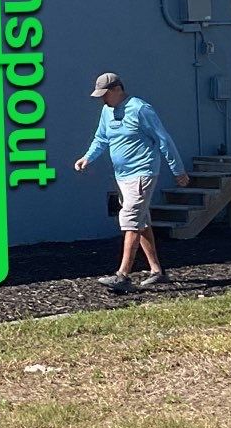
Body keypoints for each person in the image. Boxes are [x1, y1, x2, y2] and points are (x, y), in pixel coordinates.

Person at [73, 72, 188, 292]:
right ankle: (157, 271)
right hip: (122, 176)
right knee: (140, 221)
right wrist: (88, 157)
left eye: (105, 94)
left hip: (142, 173)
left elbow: (163, 140)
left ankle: (123, 276)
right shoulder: (107, 111)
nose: (102, 99)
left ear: (118, 89)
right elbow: (101, 138)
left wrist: (178, 170)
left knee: (130, 219)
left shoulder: (140, 109)